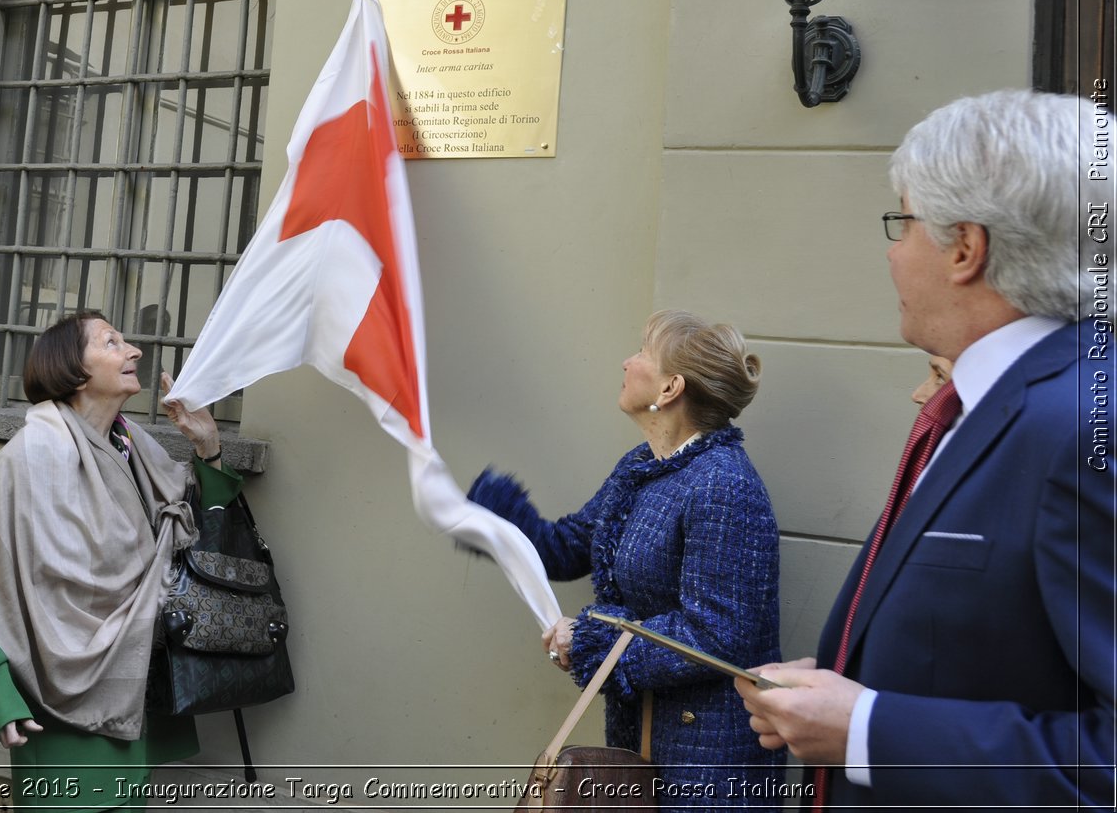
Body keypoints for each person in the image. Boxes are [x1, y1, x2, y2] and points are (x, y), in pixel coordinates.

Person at [739, 90, 1115, 808]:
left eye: (903, 222)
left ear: (965, 248)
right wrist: (837, 695)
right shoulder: (992, 407)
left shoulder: (1080, 427)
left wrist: (867, 730)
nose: (891, 252)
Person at [470, 309, 784, 810]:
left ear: (669, 389)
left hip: (707, 763)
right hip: (638, 743)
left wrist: (596, 638)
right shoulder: (640, 466)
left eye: (642, 351)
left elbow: (716, 636)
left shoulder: (725, 485)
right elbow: (568, 546)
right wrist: (491, 519)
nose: (626, 361)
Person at [0, 312, 242, 810]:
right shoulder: (31, 455)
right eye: (111, 342)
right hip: (56, 694)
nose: (134, 351)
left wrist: (206, 445)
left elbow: (196, 524)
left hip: (133, 686)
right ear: (74, 370)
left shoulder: (134, 448)